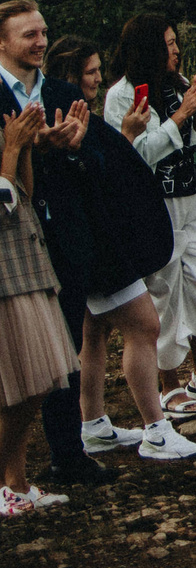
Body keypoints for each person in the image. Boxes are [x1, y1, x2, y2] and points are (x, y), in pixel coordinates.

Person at [44, 38, 194, 463]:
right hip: (102, 249)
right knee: (144, 326)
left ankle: (92, 424)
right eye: (90, 72)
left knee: (95, 333)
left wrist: (125, 134)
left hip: (91, 247)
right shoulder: (70, 124)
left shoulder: (84, 120)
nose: (97, 79)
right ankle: (156, 429)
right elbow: (96, 178)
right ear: (72, 75)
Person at [0, 0, 113, 488]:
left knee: (62, 350)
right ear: (2, 43)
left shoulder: (65, 93)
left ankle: (66, 453)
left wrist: (74, 150)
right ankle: (13, 475)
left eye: (44, 32)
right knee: (17, 364)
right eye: (29, 35)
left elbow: (100, 168)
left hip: (63, 237)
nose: (41, 42)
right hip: (9, 247)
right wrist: (32, 149)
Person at [103, 16, 196, 419]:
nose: (176, 50)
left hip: (193, 199)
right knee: (164, 293)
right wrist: (179, 118)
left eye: (176, 43)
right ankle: (169, 385)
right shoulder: (121, 97)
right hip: (154, 206)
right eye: (170, 44)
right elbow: (135, 155)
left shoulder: (177, 87)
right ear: (149, 49)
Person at [0, 97, 80, 513]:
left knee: (37, 383)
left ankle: (15, 483)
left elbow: (23, 196)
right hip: (4, 277)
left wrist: (28, 147)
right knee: (17, 390)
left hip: (25, 262)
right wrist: (11, 150)